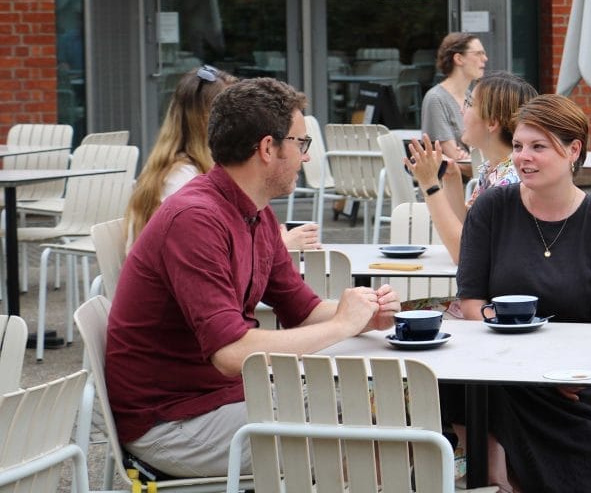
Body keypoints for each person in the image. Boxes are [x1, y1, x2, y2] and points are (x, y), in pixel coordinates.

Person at [106, 78, 400, 479]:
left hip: (219, 400)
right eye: (301, 143)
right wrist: (343, 324)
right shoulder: (195, 219)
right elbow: (230, 354)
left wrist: (366, 316)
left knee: (388, 406)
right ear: (267, 148)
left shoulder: (255, 211)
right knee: (381, 443)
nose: (306, 158)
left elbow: (302, 308)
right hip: (173, 424)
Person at [452, 94, 591, 492]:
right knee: (460, 386)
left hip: (577, 383)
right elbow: (471, 302)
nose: (523, 157)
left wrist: (566, 373)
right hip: (502, 368)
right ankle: (494, 480)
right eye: (518, 146)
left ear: (573, 150)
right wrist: (521, 363)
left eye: (538, 147)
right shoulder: (491, 210)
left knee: (584, 464)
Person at [124, 65, 320, 252]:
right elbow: (205, 255)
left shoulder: (184, 172)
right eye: (238, 113)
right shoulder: (183, 183)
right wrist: (282, 246)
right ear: (215, 120)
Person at [405, 70, 537, 263]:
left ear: (492, 122)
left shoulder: (510, 182)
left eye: (468, 104)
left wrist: (430, 185)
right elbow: (468, 230)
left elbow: (465, 254)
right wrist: (452, 177)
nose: (461, 111)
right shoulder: (497, 169)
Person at [421, 32, 487, 161]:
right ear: (458, 59)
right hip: (460, 180)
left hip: (479, 176)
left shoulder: (470, 96)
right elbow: (456, 160)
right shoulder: (436, 98)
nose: (485, 58)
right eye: (478, 53)